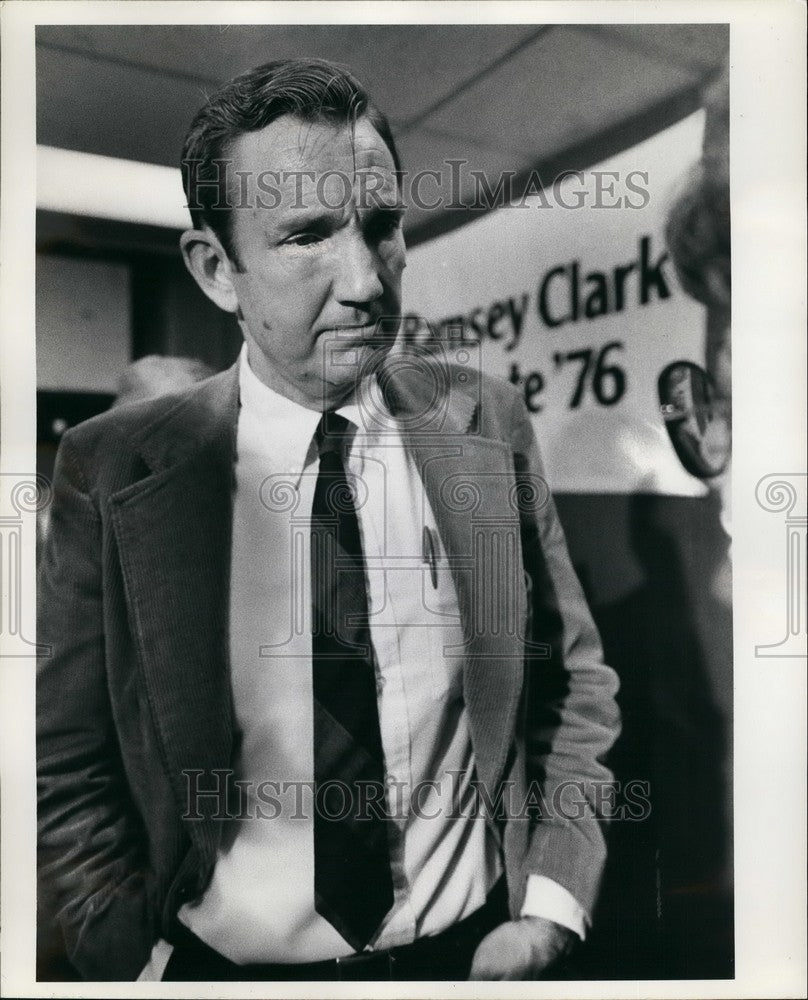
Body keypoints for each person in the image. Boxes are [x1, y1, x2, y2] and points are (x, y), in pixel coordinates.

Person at [37, 58, 620, 982]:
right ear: (215, 269)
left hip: (469, 955)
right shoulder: (112, 469)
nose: (366, 281)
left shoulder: (485, 421)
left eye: (381, 226)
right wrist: (130, 960)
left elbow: (569, 683)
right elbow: (64, 760)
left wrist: (549, 906)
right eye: (307, 234)